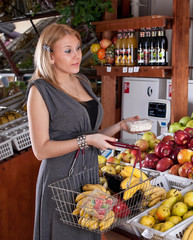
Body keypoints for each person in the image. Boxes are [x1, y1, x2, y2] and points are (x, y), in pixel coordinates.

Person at [26, 23, 139, 240]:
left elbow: (90, 134)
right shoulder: (40, 91)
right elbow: (41, 150)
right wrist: (86, 140)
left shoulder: (82, 81)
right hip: (60, 182)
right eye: (68, 50)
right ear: (50, 56)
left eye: (78, 48)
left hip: (87, 176)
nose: (77, 55)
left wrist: (118, 126)